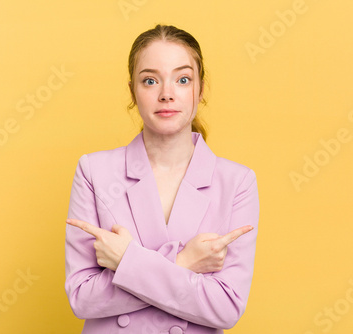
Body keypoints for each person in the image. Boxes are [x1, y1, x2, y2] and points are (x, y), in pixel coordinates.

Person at [65, 24, 260, 333]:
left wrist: (127, 263)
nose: (167, 94)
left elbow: (226, 308)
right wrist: (184, 263)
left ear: (201, 89)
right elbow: (81, 298)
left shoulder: (237, 182)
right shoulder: (94, 171)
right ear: (133, 90)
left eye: (183, 79)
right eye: (150, 80)